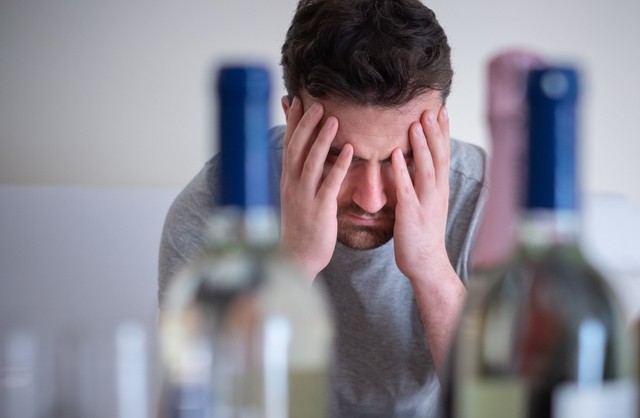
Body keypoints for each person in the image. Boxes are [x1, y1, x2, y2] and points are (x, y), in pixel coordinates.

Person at [158, 0, 488, 416]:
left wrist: (432, 268)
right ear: (291, 118)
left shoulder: (484, 205)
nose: (371, 199)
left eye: (400, 158)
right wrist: (290, 264)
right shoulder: (213, 210)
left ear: (440, 126)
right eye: (337, 157)